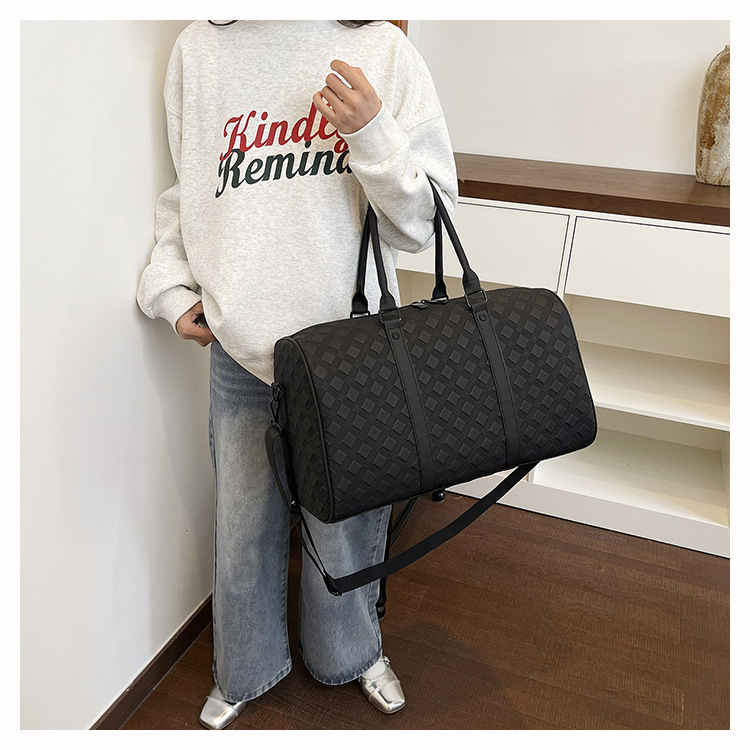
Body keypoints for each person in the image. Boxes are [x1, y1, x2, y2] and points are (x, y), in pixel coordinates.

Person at [136, 19, 458, 730]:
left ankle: (353, 652)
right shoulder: (199, 49)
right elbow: (191, 191)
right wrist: (171, 287)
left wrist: (372, 134)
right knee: (241, 527)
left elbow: (425, 224)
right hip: (240, 344)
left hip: (353, 348)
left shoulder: (383, 48)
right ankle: (243, 669)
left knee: (346, 523)